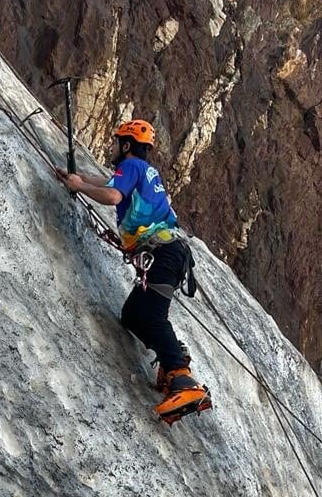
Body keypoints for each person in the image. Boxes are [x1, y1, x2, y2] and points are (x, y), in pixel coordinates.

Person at [55, 119, 210, 421]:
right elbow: (109, 185)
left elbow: (113, 196)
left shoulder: (132, 166)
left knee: (152, 315)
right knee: (132, 315)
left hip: (163, 253)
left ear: (126, 145)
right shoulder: (143, 171)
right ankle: (172, 360)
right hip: (170, 253)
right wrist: (76, 178)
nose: (113, 148)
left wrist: (79, 187)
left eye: (116, 143)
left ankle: (183, 379)